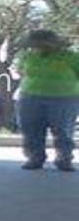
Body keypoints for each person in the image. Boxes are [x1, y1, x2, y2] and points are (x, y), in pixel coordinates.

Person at [16, 28, 79, 172]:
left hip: (64, 98)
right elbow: (21, 72)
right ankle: (35, 158)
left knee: (63, 130)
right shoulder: (27, 56)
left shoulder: (71, 57)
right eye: (34, 45)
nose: (37, 47)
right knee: (31, 129)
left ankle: (64, 159)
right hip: (30, 97)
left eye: (41, 44)